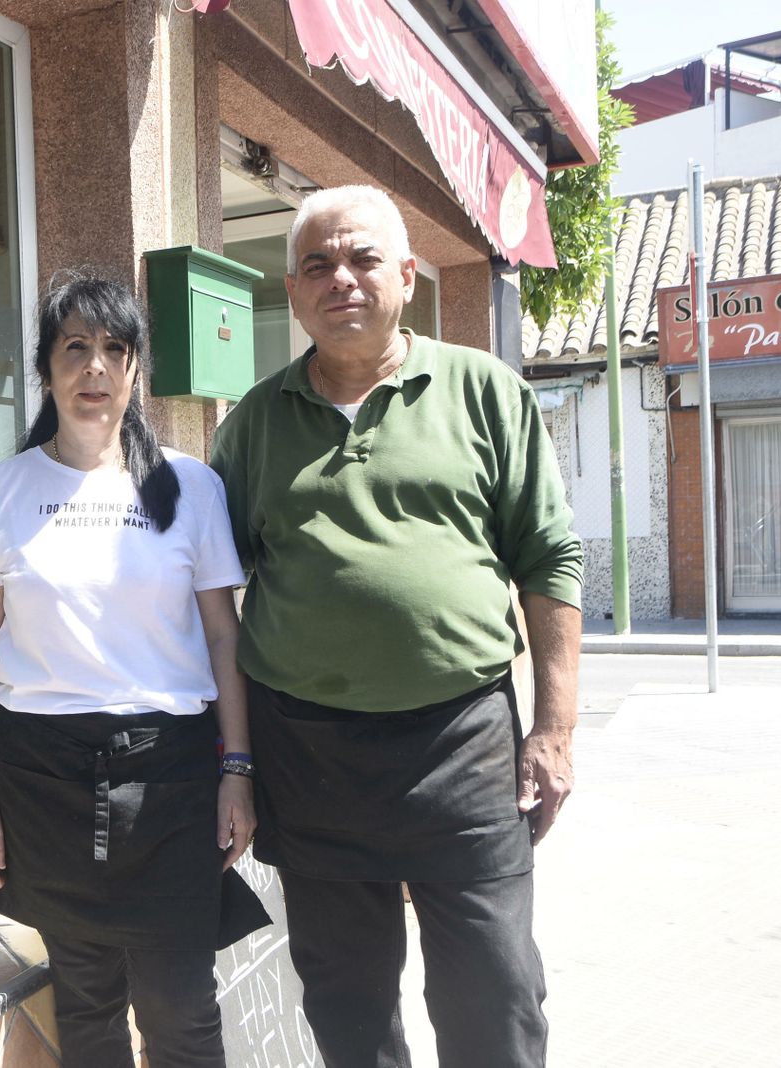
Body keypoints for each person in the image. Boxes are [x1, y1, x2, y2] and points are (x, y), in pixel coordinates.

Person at [208, 185, 583, 1068]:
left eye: (362, 258)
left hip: (463, 746)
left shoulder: (483, 392)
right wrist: (231, 761)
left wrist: (555, 727)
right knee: (348, 1007)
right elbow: (209, 597)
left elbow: (551, 562)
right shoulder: (254, 426)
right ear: (293, 293)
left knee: (495, 994)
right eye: (317, 266)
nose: (340, 278)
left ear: (406, 277)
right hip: (308, 754)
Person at [0, 274, 269, 1068]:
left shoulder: (190, 486)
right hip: (42, 780)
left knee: (181, 1011)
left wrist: (239, 772)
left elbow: (225, 637)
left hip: (172, 778)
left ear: (137, 369)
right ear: (46, 367)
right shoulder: (0, 491)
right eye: (74, 348)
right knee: (85, 1006)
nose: (96, 369)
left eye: (115, 349)